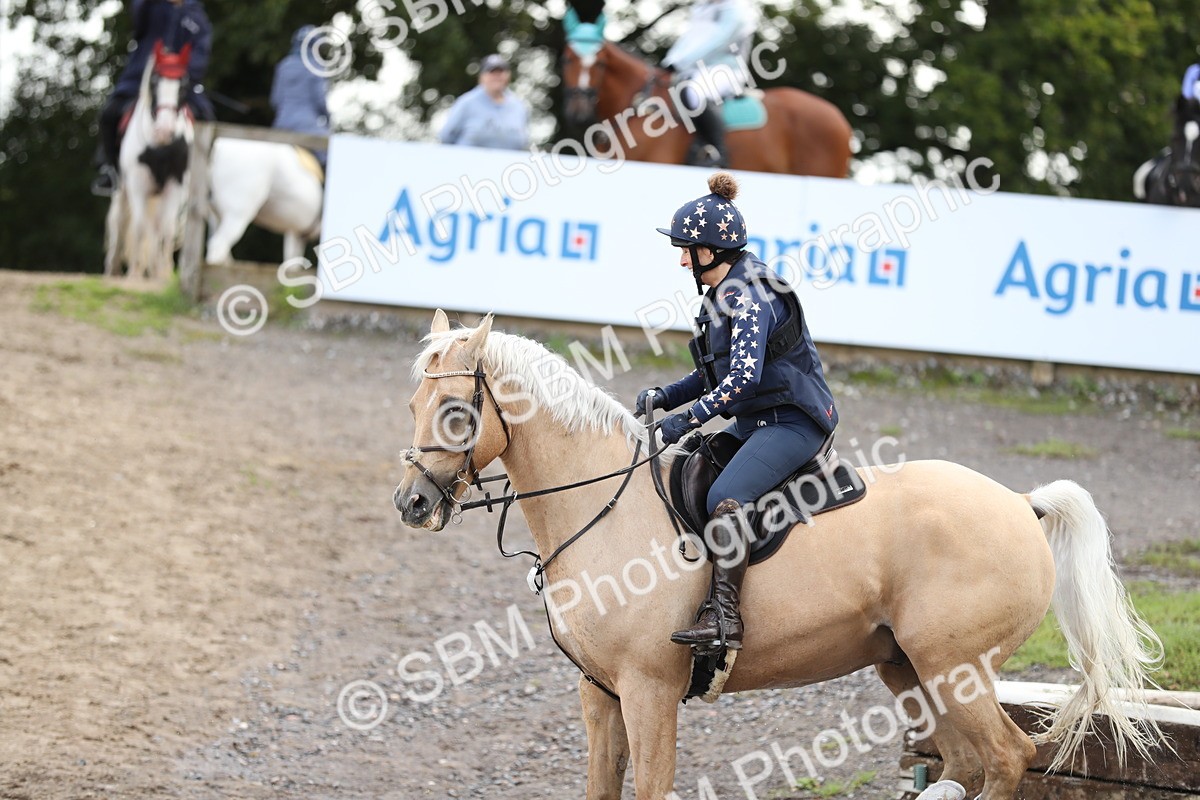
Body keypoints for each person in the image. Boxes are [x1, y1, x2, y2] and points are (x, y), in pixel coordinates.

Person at [635, 171, 839, 652]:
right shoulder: (724, 292)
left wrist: (687, 418)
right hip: (754, 423)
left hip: (793, 422)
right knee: (689, 470)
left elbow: (743, 379)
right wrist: (666, 396)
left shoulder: (749, 295)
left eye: (686, 248)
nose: (681, 258)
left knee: (725, 495)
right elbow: (716, 376)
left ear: (710, 251)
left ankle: (726, 618)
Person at [93, 0, 213, 195]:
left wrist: (178, 75)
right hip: (139, 81)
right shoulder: (150, 6)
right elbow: (138, 17)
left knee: (207, 119)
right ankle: (109, 169)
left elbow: (201, 54)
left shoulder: (198, 18)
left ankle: (205, 178)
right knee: (109, 114)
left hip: (180, 86)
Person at [661, 0, 759, 168]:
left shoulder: (736, 9)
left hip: (726, 69)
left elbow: (719, 40)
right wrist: (669, 61)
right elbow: (689, 38)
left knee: (693, 92)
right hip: (696, 68)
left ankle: (718, 151)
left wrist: (681, 62)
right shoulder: (702, 8)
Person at [438, 54, 530, 151]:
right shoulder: (466, 103)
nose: (497, 76)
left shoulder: (519, 106)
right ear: (481, 77)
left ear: (508, 76)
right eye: (492, 72)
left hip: (508, 165)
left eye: (501, 72)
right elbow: (446, 137)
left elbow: (524, 141)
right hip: (468, 164)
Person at [271, 25, 331, 167]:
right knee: (331, 152)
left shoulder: (283, 66)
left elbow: (275, 100)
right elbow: (320, 101)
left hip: (281, 124)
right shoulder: (316, 66)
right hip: (307, 125)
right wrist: (329, 119)